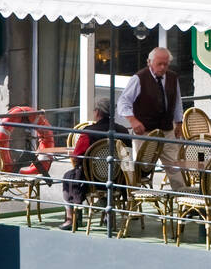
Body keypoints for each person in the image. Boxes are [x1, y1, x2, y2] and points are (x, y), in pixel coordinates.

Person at [116, 46, 185, 188]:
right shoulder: (139, 78)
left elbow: (177, 101)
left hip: (166, 129)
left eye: (166, 64)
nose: (163, 67)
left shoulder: (172, 77)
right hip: (145, 130)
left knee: (174, 166)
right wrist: (132, 120)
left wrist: (179, 123)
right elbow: (123, 102)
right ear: (149, 62)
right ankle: (137, 196)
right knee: (144, 167)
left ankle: (184, 199)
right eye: (159, 64)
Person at [60, 99, 115, 228]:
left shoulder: (89, 132)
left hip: (92, 179)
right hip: (116, 178)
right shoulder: (122, 130)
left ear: (97, 112)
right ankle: (106, 211)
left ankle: (71, 218)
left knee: (69, 176)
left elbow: (76, 156)